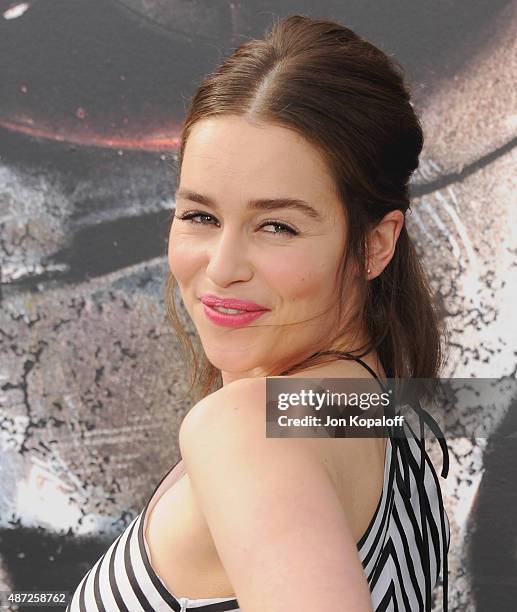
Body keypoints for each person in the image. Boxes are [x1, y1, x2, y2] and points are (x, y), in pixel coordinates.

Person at [67, 13, 450, 612]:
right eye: (200, 216)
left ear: (376, 244)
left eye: (277, 225)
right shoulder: (376, 407)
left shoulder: (251, 431)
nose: (223, 266)